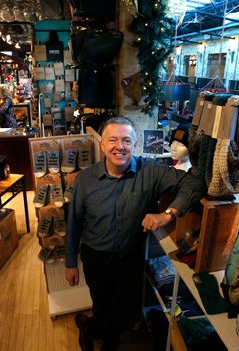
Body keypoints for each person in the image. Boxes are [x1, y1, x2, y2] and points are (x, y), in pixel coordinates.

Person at [65, 117, 205, 351]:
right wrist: (70, 262)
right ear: (102, 144)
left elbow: (194, 184)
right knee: (100, 304)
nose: (120, 146)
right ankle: (100, 337)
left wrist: (167, 214)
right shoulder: (86, 179)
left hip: (130, 260)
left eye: (126, 140)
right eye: (113, 140)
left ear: (135, 143)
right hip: (95, 259)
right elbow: (74, 222)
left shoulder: (150, 171)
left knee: (127, 314)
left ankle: (89, 327)